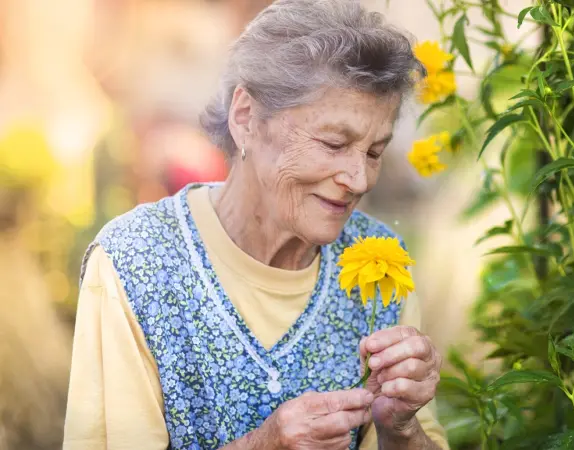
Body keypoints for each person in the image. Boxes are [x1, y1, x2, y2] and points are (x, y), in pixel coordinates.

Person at [63, 1, 448, 449]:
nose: (359, 179)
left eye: (374, 152)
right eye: (333, 143)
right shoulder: (136, 261)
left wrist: (401, 428)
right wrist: (264, 444)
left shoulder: (381, 264)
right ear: (245, 117)